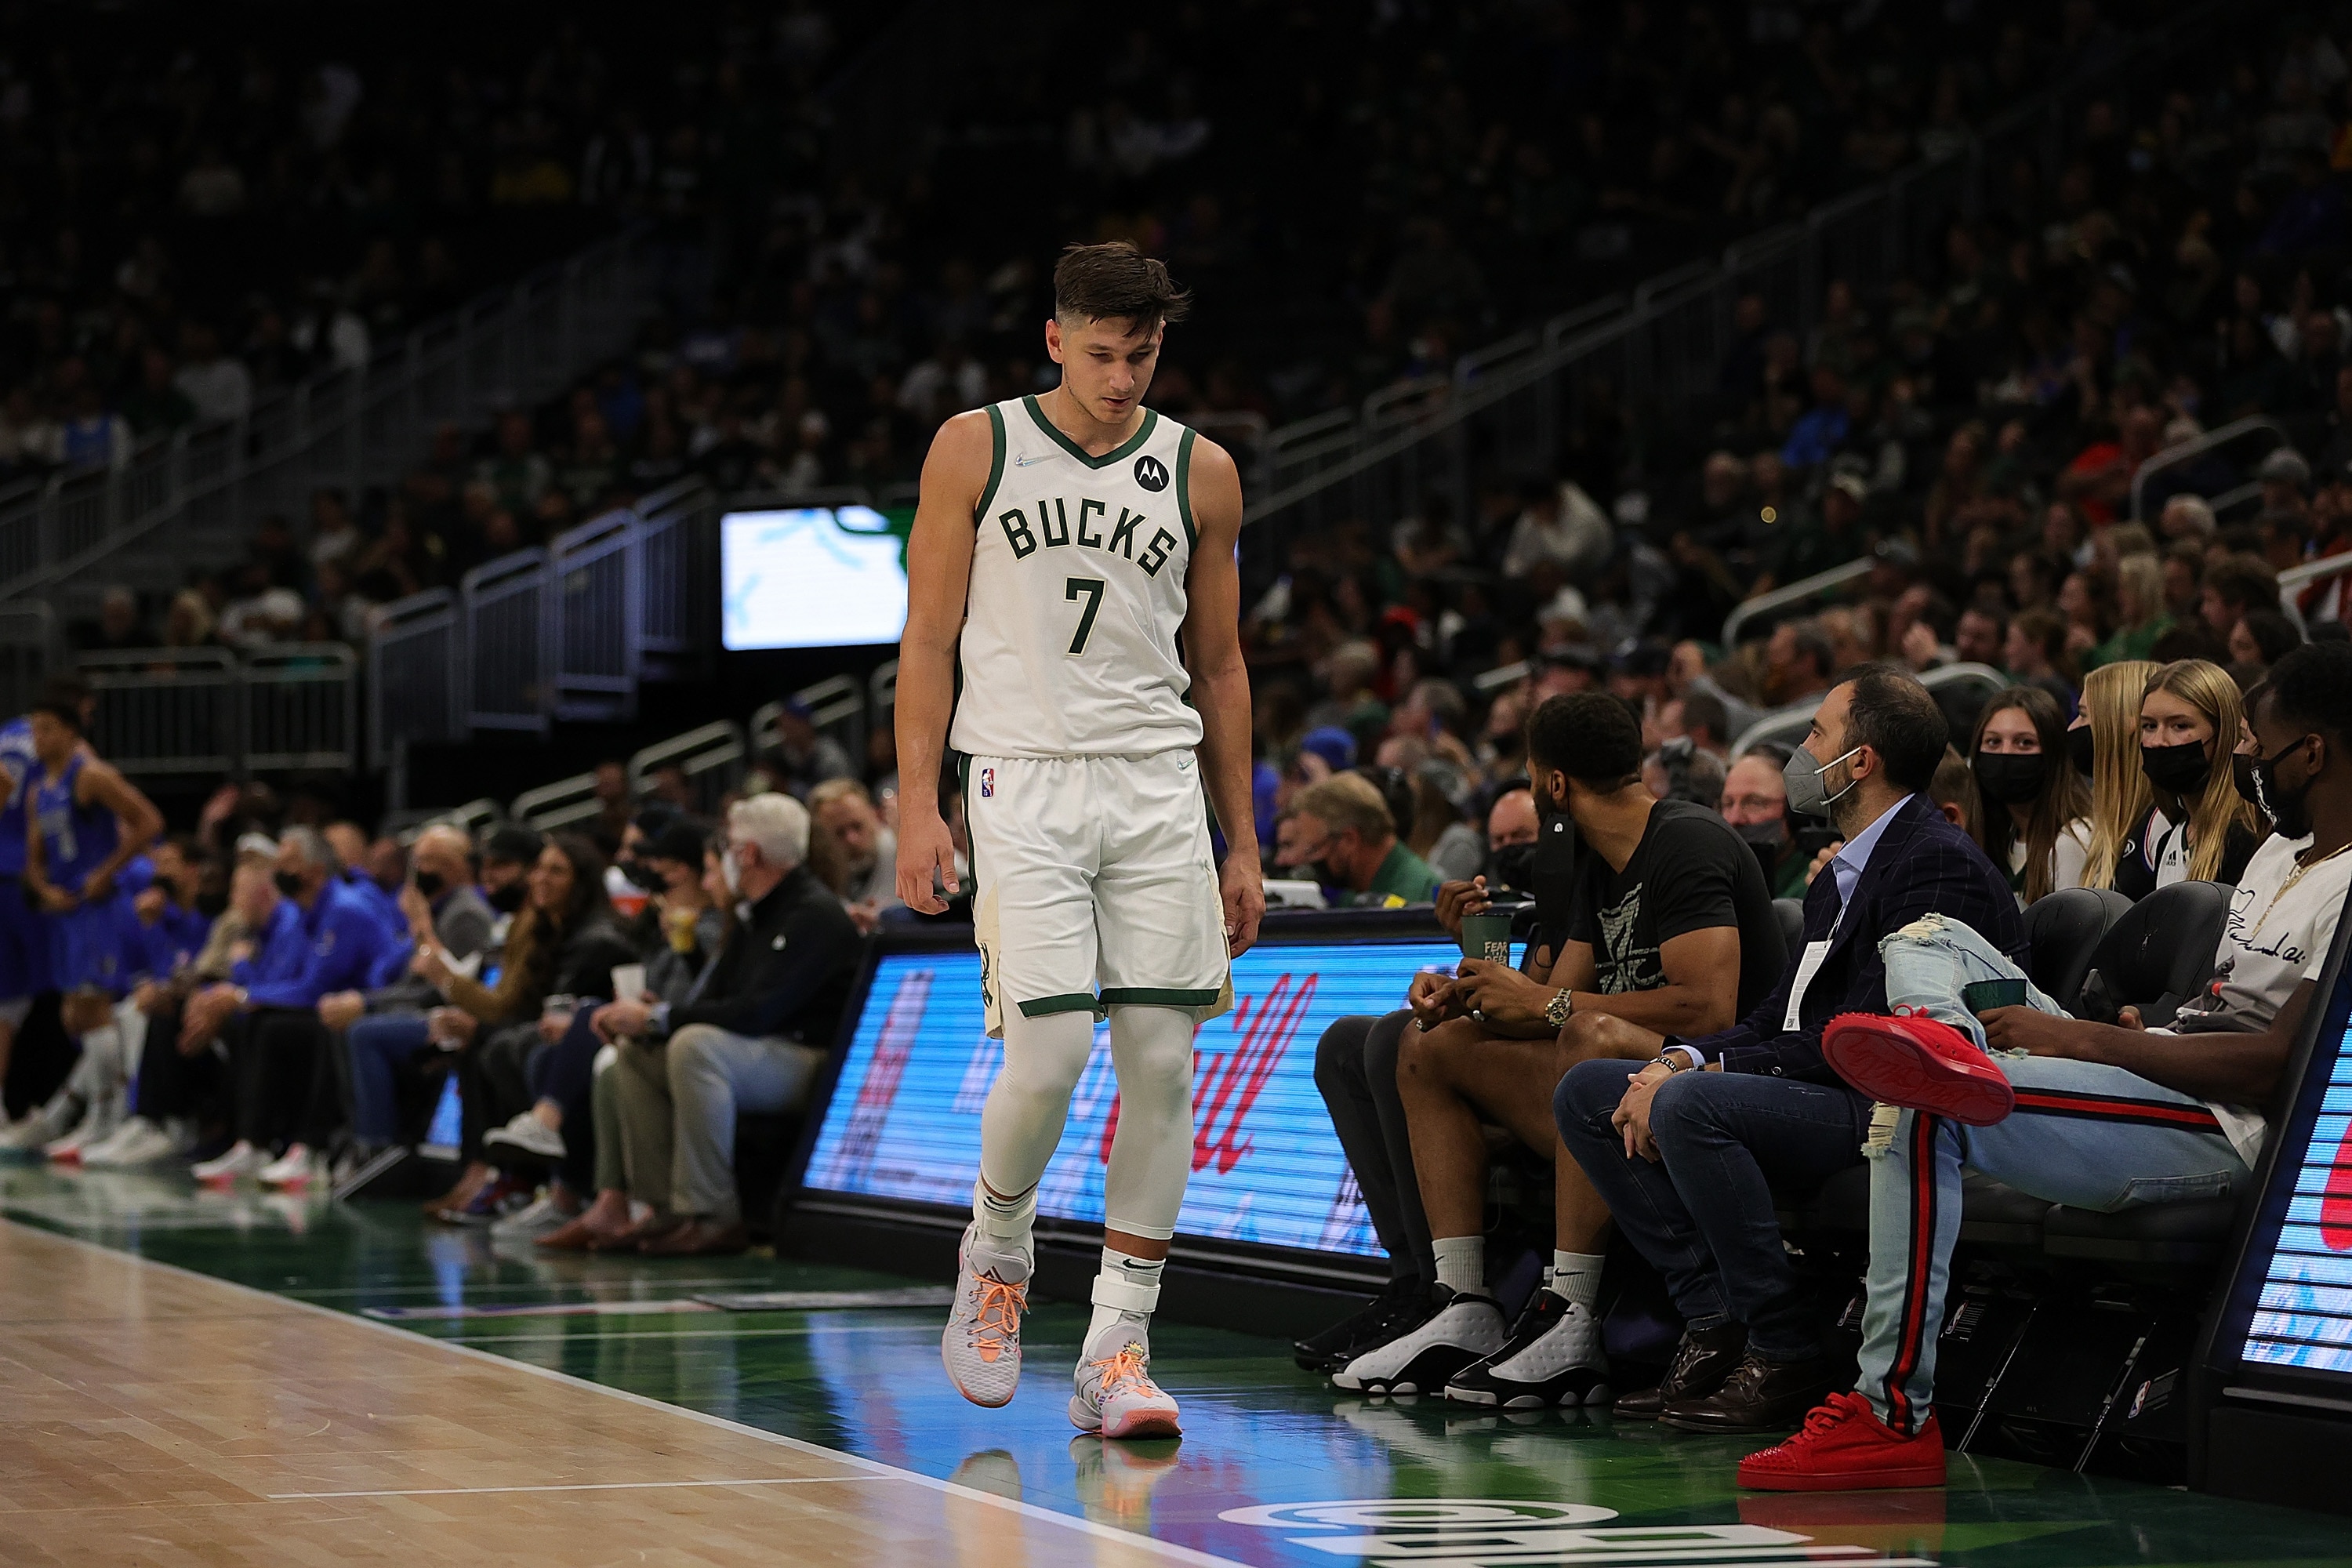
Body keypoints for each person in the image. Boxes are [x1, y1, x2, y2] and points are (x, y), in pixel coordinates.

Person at [1754, 640, 2352, 1489]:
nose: (2245, 761)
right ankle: (1941, 1037)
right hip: (2169, 1069)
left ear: (2314, 752)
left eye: (2255, 745)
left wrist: (2087, 1038)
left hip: (2232, 1126)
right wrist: (2150, 1027)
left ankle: (1890, 1415)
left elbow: (2279, 1065)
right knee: (1923, 934)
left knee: (1923, 1109)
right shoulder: (2273, 857)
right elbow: (2221, 1004)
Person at [895, 241, 1261, 1439]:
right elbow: (928, 642)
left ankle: (1118, 1348)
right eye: (1100, 353)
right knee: (1047, 1062)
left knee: (1162, 1067)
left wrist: (1241, 839)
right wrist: (916, 804)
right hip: (1022, 779)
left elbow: (1218, 664)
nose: (1119, 376)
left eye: (1140, 354)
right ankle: (997, 1255)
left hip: (1157, 785)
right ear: (1055, 339)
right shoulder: (974, 444)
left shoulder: (1201, 471)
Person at [1554, 666, 2020, 1433]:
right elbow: (1783, 1012)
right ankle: (1714, 1320)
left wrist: (1699, 1072)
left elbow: (1872, 1034)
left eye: (1817, 734)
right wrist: (1680, 1056)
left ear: (1860, 760)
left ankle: (1783, 1343)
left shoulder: (1931, 861)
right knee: (1589, 1089)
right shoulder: (1843, 868)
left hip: (1893, 1104)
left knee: (1694, 1103)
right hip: (1825, 1081)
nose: (1802, 750)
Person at [1335, 694, 1785, 1407]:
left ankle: (1568, 1310)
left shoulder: (1687, 841)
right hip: (1613, 1086)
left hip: (1724, 1084)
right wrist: (1471, 989)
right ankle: (1463, 1301)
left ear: (1553, 784)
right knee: (1431, 1042)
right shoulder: (1598, 862)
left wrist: (1547, 1005)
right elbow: (1548, 1003)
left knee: (1587, 1034)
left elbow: (1707, 1008)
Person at [1298, 784, 1565, 1374]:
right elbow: (1512, 1002)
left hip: (1571, 1074)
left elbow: (1557, 1012)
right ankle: (1411, 1278)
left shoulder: (1590, 886)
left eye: (1524, 835)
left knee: (1398, 1036)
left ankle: (1447, 1290)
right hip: (1527, 1053)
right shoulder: (1529, 904)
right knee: (1344, 1043)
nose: (1512, 850)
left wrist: (1482, 1011)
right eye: (1500, 842)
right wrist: (1461, 972)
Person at [586, 795, 862, 1254]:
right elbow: (721, 1002)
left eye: (730, 845)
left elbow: (759, 1012)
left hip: (814, 1064)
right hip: (760, 1052)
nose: (722, 856)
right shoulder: (753, 912)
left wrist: (661, 1017)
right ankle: (661, 1208)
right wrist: (654, 1015)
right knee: (633, 1054)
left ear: (749, 854)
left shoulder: (812, 912)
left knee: (694, 1045)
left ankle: (714, 1213)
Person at [411, 833, 634, 1225]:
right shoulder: (543, 924)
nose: (541, 879)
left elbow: (511, 1007)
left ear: (581, 882)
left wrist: (443, 976)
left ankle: (532, 1178)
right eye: (540, 870)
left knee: (507, 1045)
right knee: (489, 1041)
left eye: (556, 871)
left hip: (593, 1036)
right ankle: (501, 1173)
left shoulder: (596, 937)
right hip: (553, 1031)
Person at [183, 828, 401, 1186]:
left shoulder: (344, 909)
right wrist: (240, 995)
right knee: (255, 1021)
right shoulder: (304, 913)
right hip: (326, 1010)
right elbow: (281, 979)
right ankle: (253, 1143)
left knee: (272, 1025)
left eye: (287, 864)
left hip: (365, 1010)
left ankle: (309, 1148)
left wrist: (242, 995)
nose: (279, 871)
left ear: (314, 870)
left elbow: (315, 988)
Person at [3, 690, 163, 1158]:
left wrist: (106, 872)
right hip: (67, 908)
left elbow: (148, 821)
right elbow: (35, 853)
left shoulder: (91, 775)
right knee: (73, 1014)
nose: (38, 738)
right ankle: (99, 1114)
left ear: (72, 731)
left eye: (47, 728)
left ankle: (110, 1118)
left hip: (100, 906)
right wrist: (43, 887)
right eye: (34, 729)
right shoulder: (37, 789)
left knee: (93, 1008)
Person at [334, 825, 497, 1165]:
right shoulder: (430, 911)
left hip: (450, 1017)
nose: (420, 871)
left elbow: (450, 990)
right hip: (426, 1010)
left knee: (363, 1032)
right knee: (342, 1019)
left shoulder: (465, 914)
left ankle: (377, 1145)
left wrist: (366, 1004)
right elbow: (398, 977)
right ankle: (351, 1137)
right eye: (418, 861)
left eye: (432, 862)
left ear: (457, 868)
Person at [0, 678, 92, 1134]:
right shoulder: (73, 756)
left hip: (13, 873)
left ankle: (13, 1108)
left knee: (10, 1003)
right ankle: (62, 1105)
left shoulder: (6, 735)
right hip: (45, 882)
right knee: (63, 991)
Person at [2115, 659, 2267, 898]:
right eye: (2150, 726)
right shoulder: (2170, 839)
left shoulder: (2246, 838)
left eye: (2180, 726)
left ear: (2222, 733)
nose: (2158, 741)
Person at [1966, 686, 2091, 906]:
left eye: (2024, 743)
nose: (2006, 753)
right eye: (1993, 742)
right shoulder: (2001, 837)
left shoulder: (2072, 840)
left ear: (2053, 755)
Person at [2071, 660, 2161, 892]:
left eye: (2083, 715)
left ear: (2124, 724)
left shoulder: (2160, 826)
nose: (2072, 728)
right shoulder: (2108, 821)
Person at [1286, 772, 1440, 906]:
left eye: (1314, 849)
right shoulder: (1372, 890)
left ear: (1349, 839)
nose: (1307, 860)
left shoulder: (1412, 902)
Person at [808, 779, 901, 932]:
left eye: (857, 826)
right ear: (820, 837)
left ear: (874, 815)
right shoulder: (814, 874)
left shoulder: (902, 847)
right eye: (839, 833)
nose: (852, 839)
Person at [1720, 745, 1811, 899]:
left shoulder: (1813, 883)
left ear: (1796, 811)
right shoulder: (1722, 880)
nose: (1734, 818)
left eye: (1755, 803)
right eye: (1728, 804)